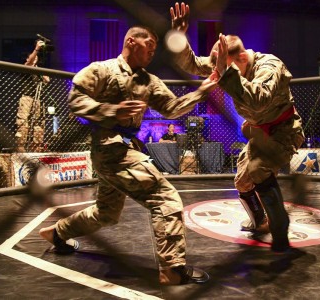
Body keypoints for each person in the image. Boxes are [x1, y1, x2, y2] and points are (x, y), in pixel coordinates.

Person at [39, 25, 218, 285]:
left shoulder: (149, 81)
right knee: (164, 198)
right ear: (132, 41)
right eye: (149, 46)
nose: (152, 52)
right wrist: (111, 111)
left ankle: (57, 233)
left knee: (106, 213)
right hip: (110, 148)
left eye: (156, 49)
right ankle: (172, 269)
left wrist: (202, 91)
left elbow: (171, 108)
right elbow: (75, 99)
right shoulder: (103, 69)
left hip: (125, 149)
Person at [171, 3, 305, 254]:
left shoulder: (269, 66)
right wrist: (179, 37)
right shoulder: (225, 64)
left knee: (257, 170)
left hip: (283, 131)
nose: (217, 76)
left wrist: (227, 72)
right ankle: (261, 223)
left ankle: (280, 233)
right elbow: (192, 64)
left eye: (223, 69)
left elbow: (259, 99)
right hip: (258, 131)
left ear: (241, 58)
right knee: (242, 181)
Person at [15, 39, 50, 152]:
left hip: (37, 98)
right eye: (33, 56)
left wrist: (37, 68)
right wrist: (36, 49)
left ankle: (37, 146)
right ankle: (20, 146)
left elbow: (47, 80)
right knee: (23, 121)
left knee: (38, 122)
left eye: (36, 57)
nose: (35, 58)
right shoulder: (26, 66)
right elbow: (29, 63)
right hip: (27, 97)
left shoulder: (37, 69)